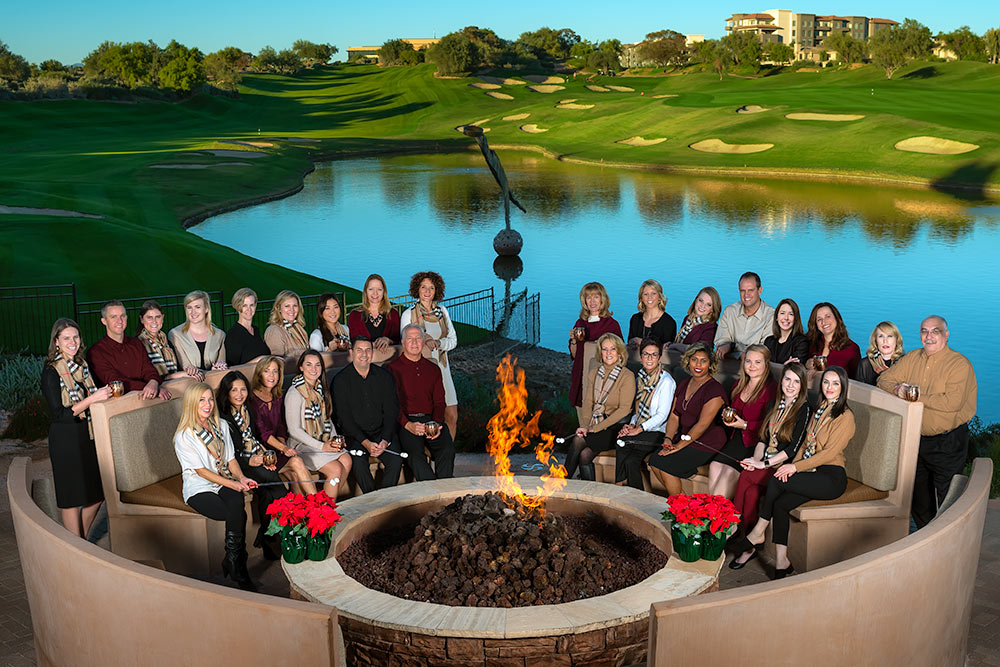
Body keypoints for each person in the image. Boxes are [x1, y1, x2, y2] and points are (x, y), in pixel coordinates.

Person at [732, 366, 854, 579]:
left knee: (776, 481)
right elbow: (804, 446)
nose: (830, 387)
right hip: (811, 472)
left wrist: (794, 467)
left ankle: (758, 531)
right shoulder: (819, 409)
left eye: (836, 383)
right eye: (826, 382)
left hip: (831, 476)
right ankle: (782, 563)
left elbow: (828, 454)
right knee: (780, 503)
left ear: (843, 387)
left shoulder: (845, 416)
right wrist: (791, 468)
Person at [877, 316, 977, 529]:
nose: (929, 336)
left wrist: (914, 395)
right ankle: (927, 541)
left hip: (948, 443)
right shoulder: (913, 358)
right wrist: (898, 390)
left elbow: (952, 403)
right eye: (924, 331)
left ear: (946, 334)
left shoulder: (959, 364)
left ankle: (951, 542)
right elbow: (883, 380)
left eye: (935, 331)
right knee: (918, 498)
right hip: (915, 440)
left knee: (948, 499)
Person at [173, 382, 256, 591]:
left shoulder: (222, 425)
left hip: (222, 478)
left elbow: (230, 459)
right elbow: (201, 471)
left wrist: (242, 478)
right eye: (201, 400)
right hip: (198, 486)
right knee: (233, 512)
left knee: (236, 503)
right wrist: (232, 483)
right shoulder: (184, 436)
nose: (208, 404)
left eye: (210, 399)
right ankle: (235, 561)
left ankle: (236, 565)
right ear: (192, 403)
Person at [41, 318, 111, 538]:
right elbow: (59, 414)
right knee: (71, 500)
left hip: (87, 436)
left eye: (75, 337)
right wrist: (93, 398)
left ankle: (79, 541)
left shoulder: (82, 367)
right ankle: (78, 546)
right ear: (57, 342)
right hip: (65, 440)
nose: (72, 342)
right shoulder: (51, 372)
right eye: (66, 338)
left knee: (97, 495)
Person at [728, 363, 810, 546]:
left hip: (784, 468)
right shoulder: (774, 403)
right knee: (751, 492)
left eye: (796, 381)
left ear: (802, 385)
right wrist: (755, 460)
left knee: (747, 476)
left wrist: (762, 464)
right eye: (787, 379)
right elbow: (763, 439)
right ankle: (748, 543)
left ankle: (733, 525)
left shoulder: (804, 409)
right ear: (782, 381)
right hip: (766, 462)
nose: (790, 385)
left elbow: (792, 450)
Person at [217, 370, 292, 561]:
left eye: (243, 389)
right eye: (234, 390)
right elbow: (226, 455)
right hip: (234, 466)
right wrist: (251, 460)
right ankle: (275, 540)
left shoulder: (247, 409)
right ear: (226, 393)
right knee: (280, 492)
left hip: (251, 459)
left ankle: (269, 544)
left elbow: (254, 438)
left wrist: (261, 456)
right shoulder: (223, 417)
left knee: (269, 492)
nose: (239, 394)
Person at [648, 343, 728, 496]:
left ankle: (681, 510)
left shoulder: (715, 390)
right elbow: (674, 415)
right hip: (684, 436)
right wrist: (668, 439)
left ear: (710, 364)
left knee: (665, 465)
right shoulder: (685, 383)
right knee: (655, 461)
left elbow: (702, 424)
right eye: (694, 359)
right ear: (688, 361)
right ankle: (685, 506)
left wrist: (679, 446)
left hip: (706, 442)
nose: (698, 365)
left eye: (703, 361)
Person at [333, 336, 403, 493]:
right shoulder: (341, 381)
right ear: (351, 353)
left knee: (396, 459)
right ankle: (371, 501)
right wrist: (365, 443)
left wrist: (384, 440)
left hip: (381, 433)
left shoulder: (385, 377)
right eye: (359, 350)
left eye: (368, 350)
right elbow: (344, 419)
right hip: (355, 436)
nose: (364, 354)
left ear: (372, 353)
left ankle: (385, 501)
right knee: (358, 463)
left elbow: (392, 411)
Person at [708, 344, 778, 498]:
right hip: (737, 438)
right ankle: (713, 513)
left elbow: (771, 426)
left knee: (727, 473)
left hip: (756, 444)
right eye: (748, 361)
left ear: (766, 364)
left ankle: (715, 516)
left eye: (757, 362)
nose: (752, 366)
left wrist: (745, 425)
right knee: (714, 466)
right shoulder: (739, 385)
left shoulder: (771, 389)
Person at [388, 324, 456, 480]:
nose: (414, 342)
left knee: (447, 449)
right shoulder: (392, 369)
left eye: (418, 338)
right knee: (415, 455)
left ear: (423, 342)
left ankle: (445, 491)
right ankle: (431, 492)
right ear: (403, 343)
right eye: (410, 339)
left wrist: (437, 423)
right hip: (406, 422)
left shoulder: (433, 368)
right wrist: (408, 424)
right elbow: (392, 405)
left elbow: (439, 401)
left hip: (430, 420)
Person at [566, 333, 635, 481]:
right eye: (605, 349)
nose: (609, 353)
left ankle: (560, 481)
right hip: (595, 423)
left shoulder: (627, 376)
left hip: (616, 427)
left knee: (578, 441)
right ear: (600, 352)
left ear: (620, 352)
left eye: (612, 349)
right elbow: (588, 402)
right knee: (585, 455)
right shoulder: (594, 373)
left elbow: (624, 410)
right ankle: (588, 492)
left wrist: (594, 429)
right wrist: (585, 425)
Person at [284, 350, 352, 498]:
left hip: (322, 440)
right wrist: (322, 446)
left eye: (317, 365)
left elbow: (327, 419)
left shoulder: (320, 390)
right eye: (309, 364)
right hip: (302, 445)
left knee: (347, 460)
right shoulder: (294, 393)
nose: (313, 369)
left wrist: (334, 441)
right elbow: (294, 430)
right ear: (301, 367)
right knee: (335, 470)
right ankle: (324, 513)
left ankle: (327, 505)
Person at [400, 271, 459, 439]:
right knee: (429, 417)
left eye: (431, 288)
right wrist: (424, 341)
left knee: (452, 415)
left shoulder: (442, 312)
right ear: (417, 289)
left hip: (442, 367)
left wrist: (439, 344)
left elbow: (453, 340)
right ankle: (428, 460)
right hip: (420, 371)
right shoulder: (408, 314)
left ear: (436, 290)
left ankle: (446, 458)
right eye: (423, 287)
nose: (427, 291)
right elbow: (405, 345)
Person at [249, 355, 316, 495]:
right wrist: (284, 448)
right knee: (296, 463)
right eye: (267, 371)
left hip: (277, 449)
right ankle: (319, 507)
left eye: (275, 371)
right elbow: (262, 432)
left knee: (295, 475)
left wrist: (282, 447)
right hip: (261, 453)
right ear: (259, 373)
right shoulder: (251, 398)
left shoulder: (277, 396)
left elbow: (281, 426)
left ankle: (306, 513)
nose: (271, 375)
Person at [615, 338, 676, 489]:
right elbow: (638, 410)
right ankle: (632, 493)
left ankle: (619, 486)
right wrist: (630, 425)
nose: (649, 358)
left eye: (654, 354)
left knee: (624, 443)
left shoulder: (666, 382)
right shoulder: (640, 378)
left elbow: (662, 416)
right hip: (641, 427)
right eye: (646, 354)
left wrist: (638, 429)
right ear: (640, 356)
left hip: (657, 431)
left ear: (660, 357)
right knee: (626, 449)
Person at [86, 300, 170, 400]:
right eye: (113, 317)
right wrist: (147, 387)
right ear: (104, 321)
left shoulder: (136, 344)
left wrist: (153, 382)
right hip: (119, 405)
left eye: (123, 316)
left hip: (146, 399)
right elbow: (115, 382)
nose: (120, 321)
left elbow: (149, 370)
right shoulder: (96, 352)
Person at [568, 282, 623, 416]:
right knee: (582, 413)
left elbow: (620, 354)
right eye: (588, 298)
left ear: (602, 299)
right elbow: (575, 355)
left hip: (603, 378)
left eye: (596, 297)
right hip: (581, 373)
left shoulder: (611, 324)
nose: (592, 301)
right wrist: (574, 340)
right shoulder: (580, 323)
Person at [714, 272, 775, 360]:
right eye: (742, 291)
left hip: (755, 370)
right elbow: (720, 343)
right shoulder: (730, 311)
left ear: (760, 290)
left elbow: (763, 351)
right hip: (727, 366)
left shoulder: (771, 316)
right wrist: (741, 353)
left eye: (750, 290)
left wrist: (732, 346)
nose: (746, 295)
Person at [136, 300, 197, 381]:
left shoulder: (167, 342)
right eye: (149, 317)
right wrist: (179, 375)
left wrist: (190, 369)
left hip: (175, 384)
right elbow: (147, 378)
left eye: (158, 317)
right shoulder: (138, 344)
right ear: (142, 319)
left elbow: (179, 367)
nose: (154, 321)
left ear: (163, 318)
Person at [168, 290, 227, 373]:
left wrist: (219, 367)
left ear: (206, 309)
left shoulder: (220, 335)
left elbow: (222, 363)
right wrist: (209, 372)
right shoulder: (175, 334)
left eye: (197, 307)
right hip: (189, 383)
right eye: (189, 308)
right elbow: (186, 366)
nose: (193, 312)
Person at [348, 274, 401, 364]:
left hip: (389, 363)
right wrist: (372, 345)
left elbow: (398, 339)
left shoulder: (393, 314)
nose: (375, 293)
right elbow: (354, 341)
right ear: (365, 291)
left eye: (379, 289)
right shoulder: (355, 315)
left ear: (384, 292)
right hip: (364, 363)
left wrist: (388, 340)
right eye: (371, 289)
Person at [805, 302, 861, 379]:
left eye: (828, 316)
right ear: (815, 324)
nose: (824, 322)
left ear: (836, 318)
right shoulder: (810, 343)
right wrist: (806, 364)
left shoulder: (852, 349)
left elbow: (857, 381)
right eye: (819, 319)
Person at [627, 279, 677, 352]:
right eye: (646, 294)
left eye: (653, 293)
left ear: (660, 297)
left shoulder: (669, 322)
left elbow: (667, 349)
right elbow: (630, 343)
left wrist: (641, 341)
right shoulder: (635, 319)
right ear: (641, 298)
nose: (649, 297)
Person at [225, 288, 270, 367]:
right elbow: (232, 368)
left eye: (251, 305)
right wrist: (261, 360)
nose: (249, 309)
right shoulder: (233, 335)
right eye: (244, 306)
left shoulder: (255, 330)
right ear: (237, 307)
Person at [669, 287, 721, 351]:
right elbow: (682, 343)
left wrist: (675, 346)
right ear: (696, 300)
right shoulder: (688, 319)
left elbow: (702, 350)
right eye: (701, 300)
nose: (702, 306)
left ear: (713, 309)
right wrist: (670, 344)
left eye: (708, 304)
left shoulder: (712, 327)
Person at [856, 321, 904, 386]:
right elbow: (858, 391)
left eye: (889, 336)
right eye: (881, 336)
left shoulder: (904, 363)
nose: (885, 341)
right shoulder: (865, 364)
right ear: (876, 340)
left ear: (897, 340)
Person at [763, 298, 810, 365]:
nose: (786, 318)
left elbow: (794, 370)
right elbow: (763, 366)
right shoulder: (769, 341)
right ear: (776, 317)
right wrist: (785, 366)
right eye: (782, 313)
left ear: (795, 318)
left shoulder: (801, 342)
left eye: (791, 314)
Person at [264, 290, 310, 359]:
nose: (292, 310)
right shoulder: (274, 331)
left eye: (295, 306)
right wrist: (303, 353)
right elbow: (277, 360)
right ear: (279, 308)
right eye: (287, 306)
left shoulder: (299, 328)